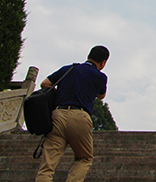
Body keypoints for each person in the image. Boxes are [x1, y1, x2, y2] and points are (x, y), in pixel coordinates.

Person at [36, 46, 109, 182]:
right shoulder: (100, 77)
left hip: (58, 115)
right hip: (80, 117)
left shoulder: (68, 69)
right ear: (103, 62)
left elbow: (45, 83)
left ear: (88, 56)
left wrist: (62, 94)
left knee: (47, 166)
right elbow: (101, 95)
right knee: (84, 158)